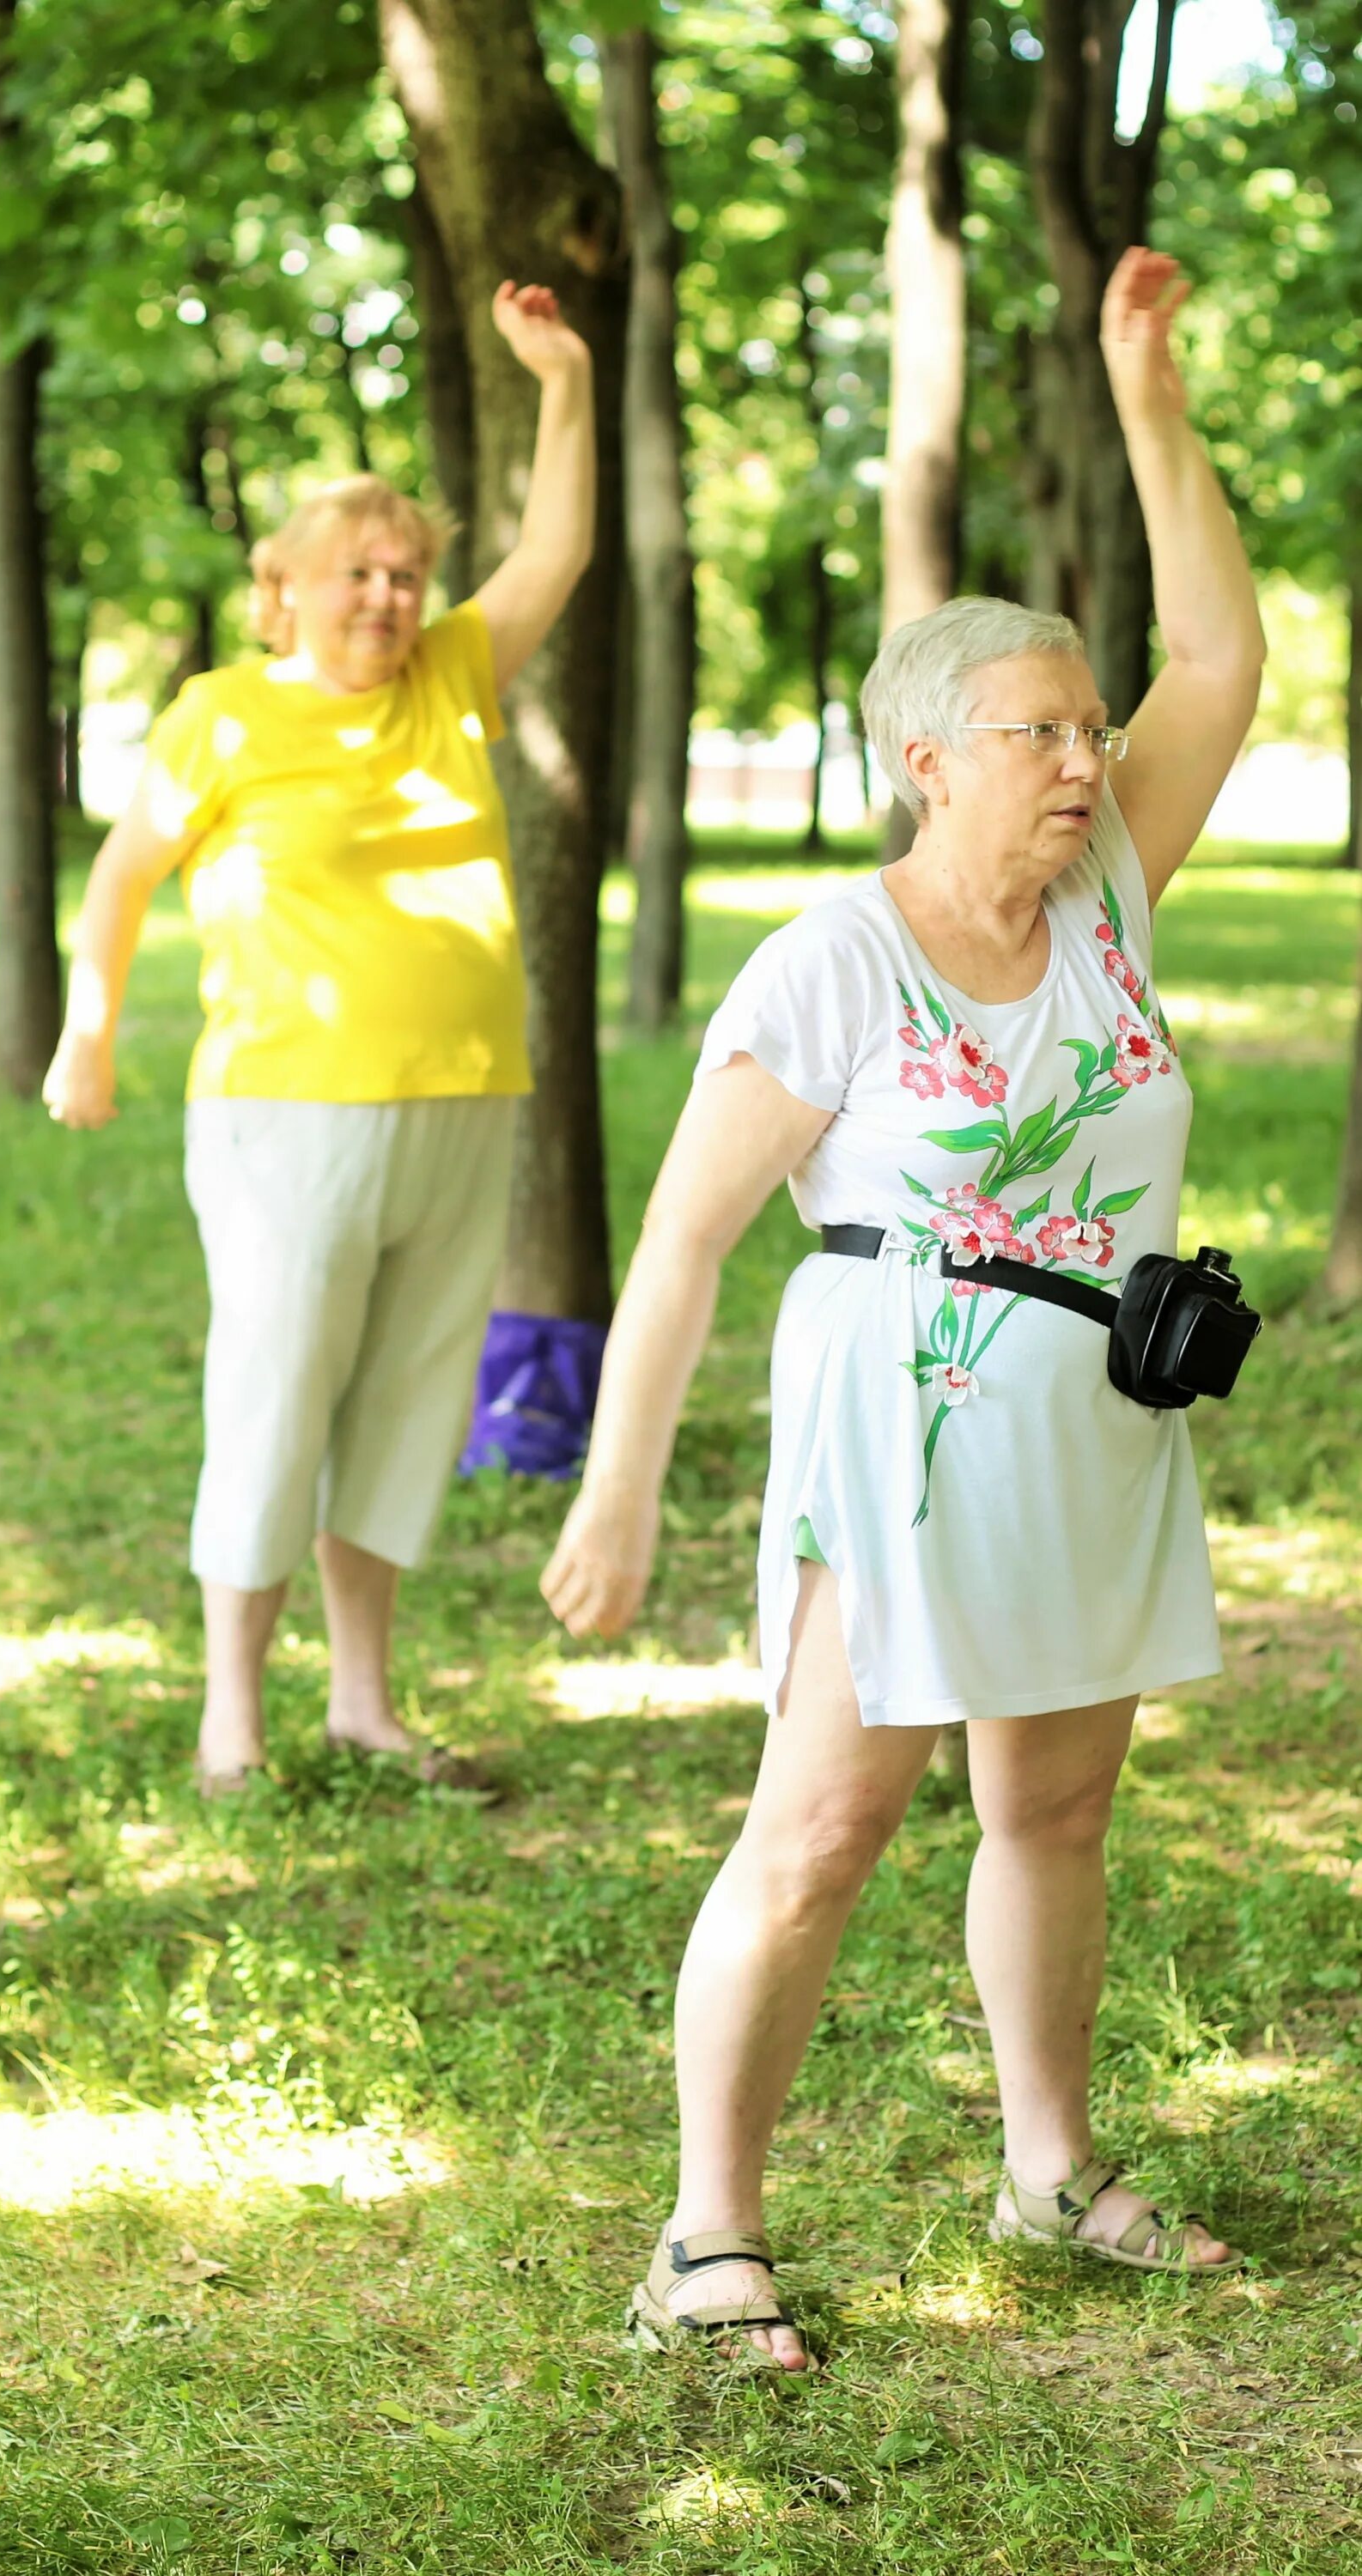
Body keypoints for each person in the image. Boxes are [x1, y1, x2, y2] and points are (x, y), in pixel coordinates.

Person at [541, 251, 1264, 2370]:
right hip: (910, 1417)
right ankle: (704, 2237)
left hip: (1107, 1416)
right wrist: (618, 1494)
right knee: (827, 1827)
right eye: (1038, 731)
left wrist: (1149, 385)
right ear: (926, 758)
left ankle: (1048, 2165)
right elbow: (681, 1241)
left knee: (1056, 1807)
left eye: (1086, 726)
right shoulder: (832, 962)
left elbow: (1224, 645)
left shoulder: (1110, 889)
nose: (1083, 755)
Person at [43, 283, 596, 1795]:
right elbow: (124, 878)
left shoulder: (455, 681)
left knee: (412, 1407)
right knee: (279, 1397)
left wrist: (563, 381)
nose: (389, 596)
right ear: (281, 587)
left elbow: (558, 550)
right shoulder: (223, 714)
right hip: (290, 1114)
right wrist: (88, 1032)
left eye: (408, 572)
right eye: (357, 571)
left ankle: (364, 1700)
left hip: (467, 1107)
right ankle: (235, 1713)